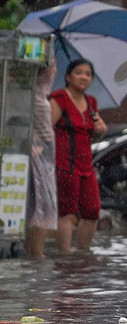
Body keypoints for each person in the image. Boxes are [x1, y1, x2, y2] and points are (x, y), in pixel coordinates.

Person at [49, 59, 106, 252]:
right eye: (78, 72)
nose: (83, 77)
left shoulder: (91, 103)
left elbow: (91, 135)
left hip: (86, 165)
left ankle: (83, 255)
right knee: (67, 212)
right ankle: (64, 257)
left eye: (88, 74)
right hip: (63, 163)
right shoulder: (59, 99)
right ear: (68, 77)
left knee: (92, 211)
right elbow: (45, 130)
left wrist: (100, 130)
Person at [25, 63, 58, 258]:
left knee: (39, 207)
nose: (55, 71)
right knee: (42, 207)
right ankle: (36, 252)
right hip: (38, 156)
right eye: (52, 67)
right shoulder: (34, 97)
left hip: (43, 155)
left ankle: (34, 251)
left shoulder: (39, 95)